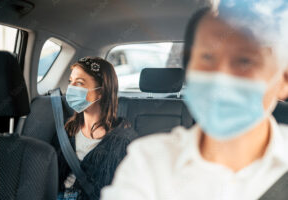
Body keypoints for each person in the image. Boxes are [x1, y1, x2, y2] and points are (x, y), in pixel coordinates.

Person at [101, 1, 288, 200]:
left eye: (244, 60)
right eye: (207, 57)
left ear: (283, 80)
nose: (220, 77)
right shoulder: (147, 162)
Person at [55, 56, 137, 200]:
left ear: (101, 91)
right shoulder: (68, 128)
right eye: (70, 82)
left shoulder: (123, 140)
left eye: (79, 83)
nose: (71, 88)